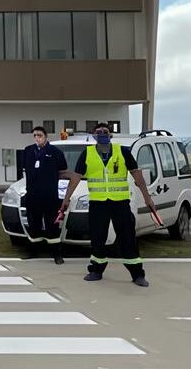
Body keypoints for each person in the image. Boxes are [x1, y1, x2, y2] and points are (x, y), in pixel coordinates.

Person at [61, 122, 153, 287]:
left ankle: (137, 274)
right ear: (94, 135)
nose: (102, 133)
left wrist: (147, 197)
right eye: (99, 131)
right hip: (98, 203)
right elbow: (75, 178)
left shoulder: (123, 152)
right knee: (97, 238)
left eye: (105, 131)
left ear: (111, 135)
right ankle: (96, 270)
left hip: (120, 203)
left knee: (127, 238)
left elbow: (137, 175)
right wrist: (66, 199)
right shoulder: (87, 154)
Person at [22, 126, 68, 264]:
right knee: (33, 224)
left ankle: (56, 254)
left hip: (49, 196)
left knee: (52, 225)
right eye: (35, 135)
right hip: (32, 195)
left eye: (40, 135)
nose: (37, 138)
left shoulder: (55, 152)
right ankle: (33, 251)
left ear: (46, 136)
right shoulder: (28, 151)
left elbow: (62, 169)